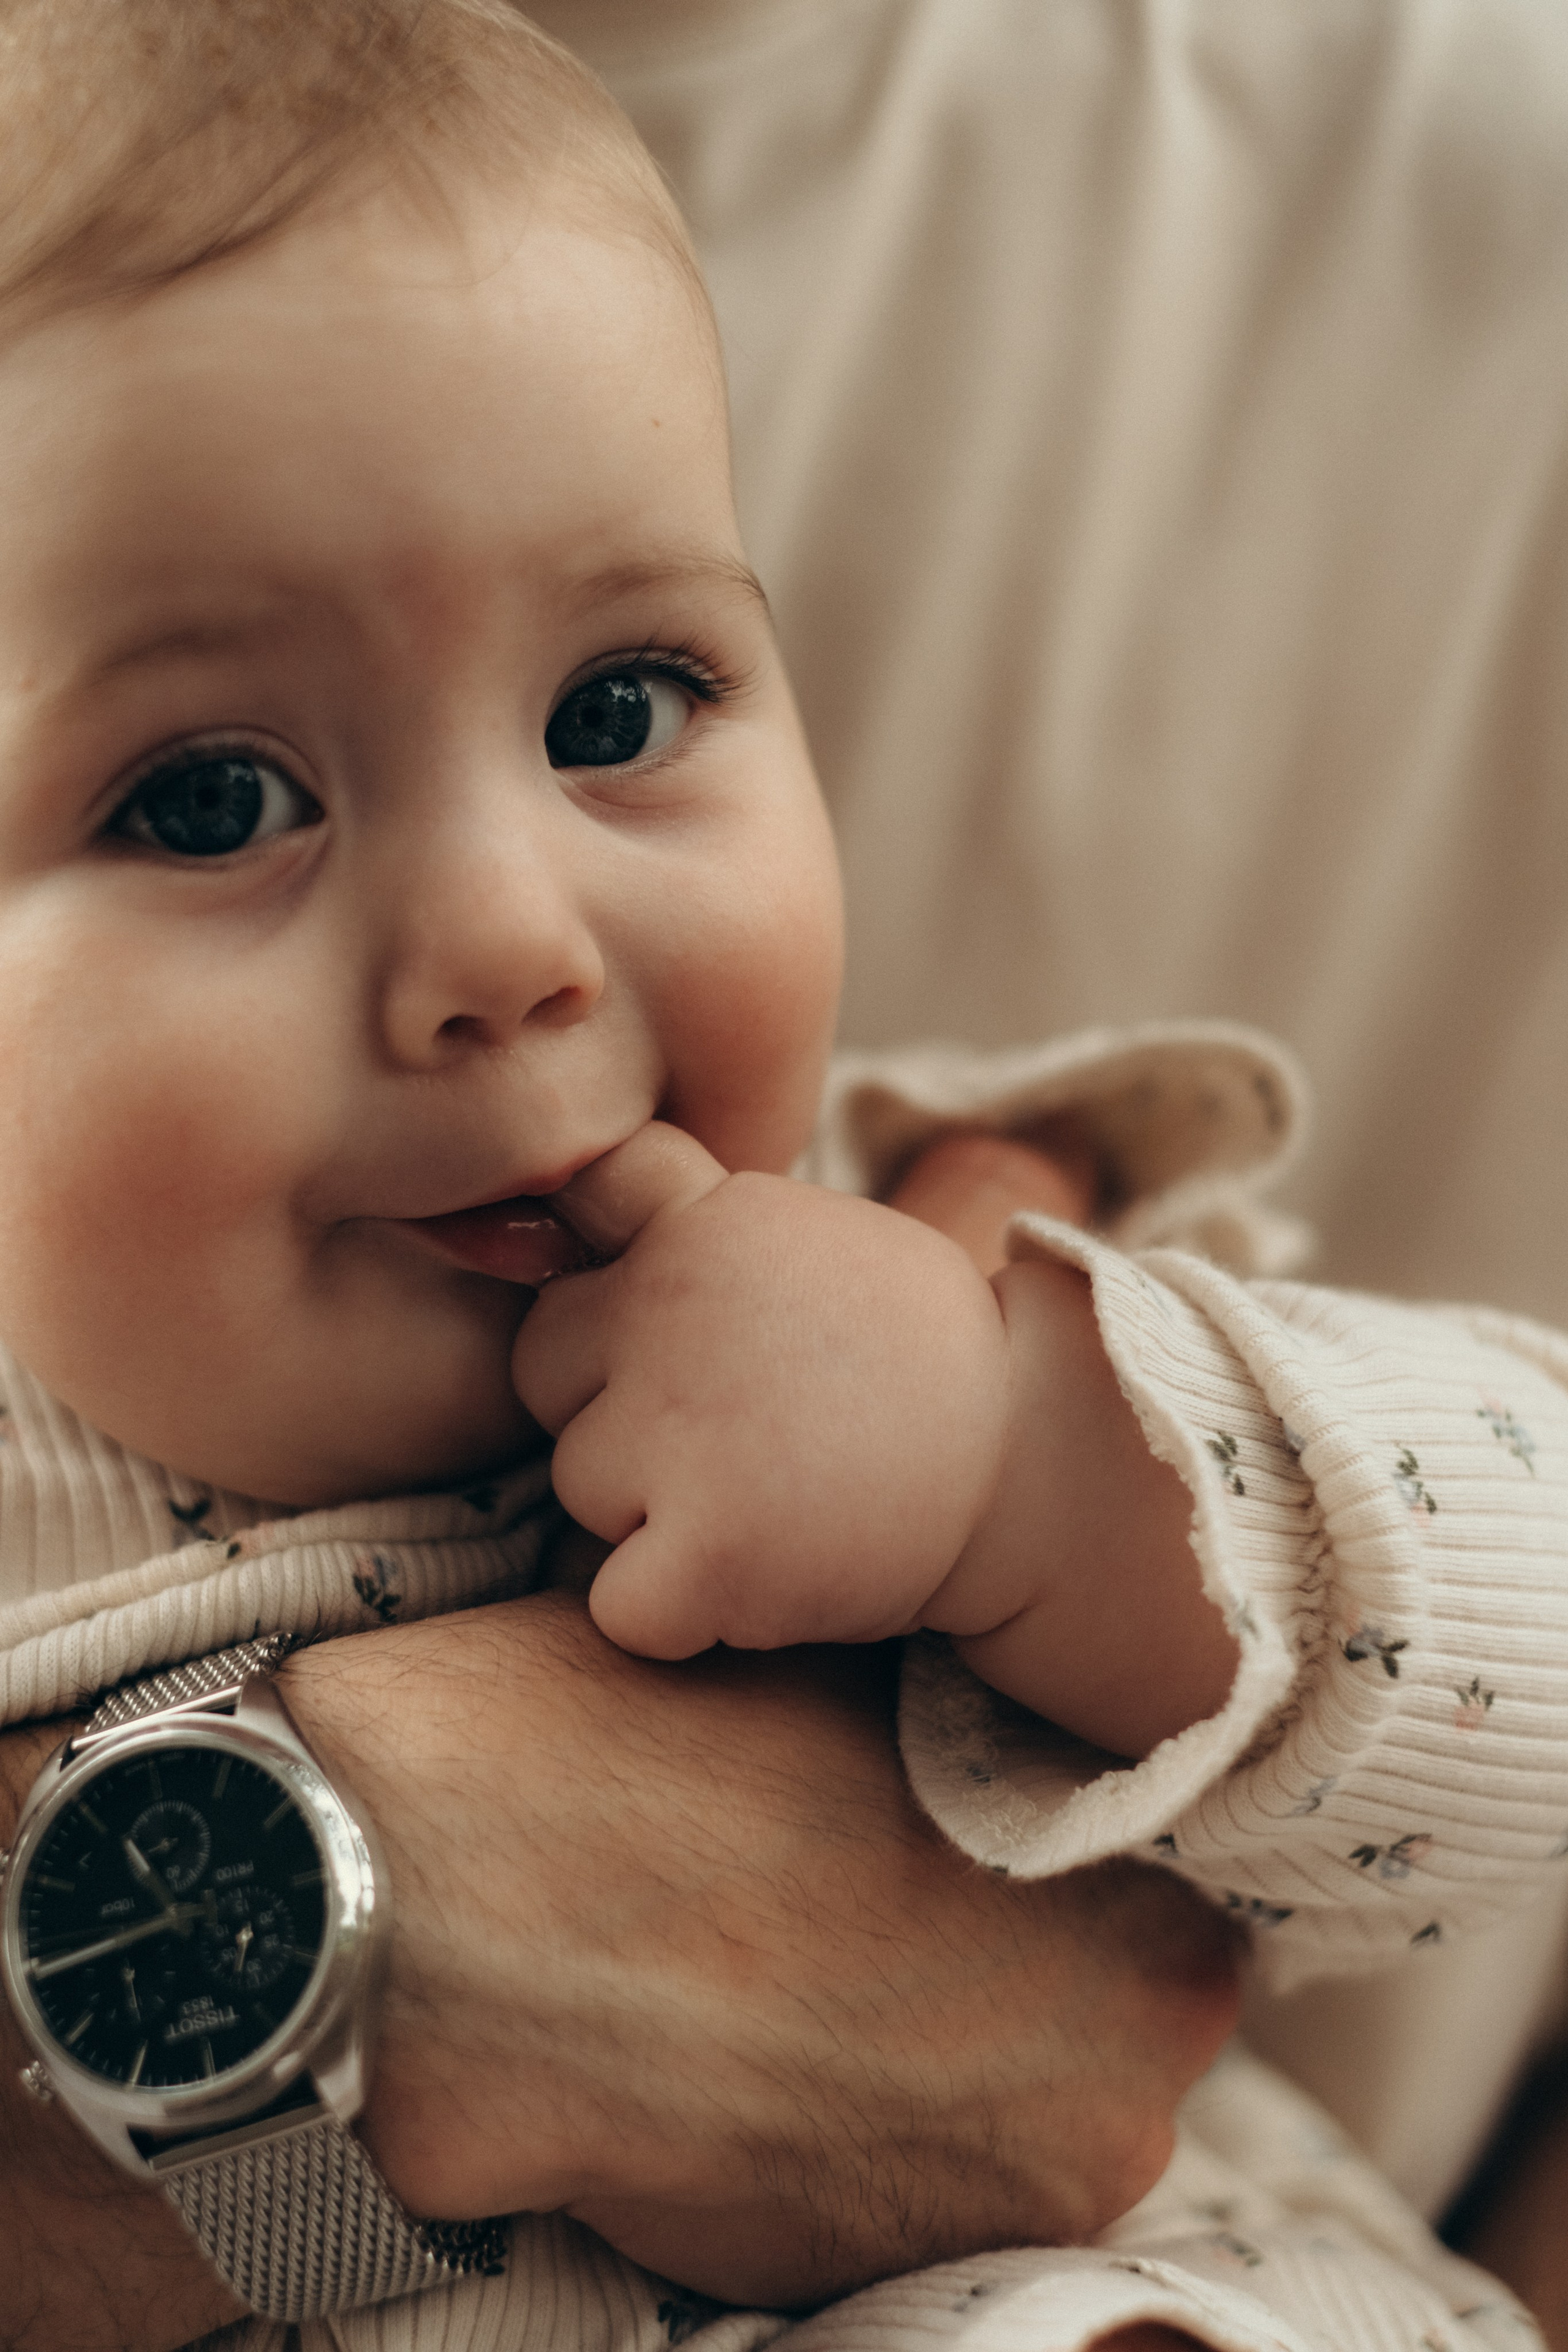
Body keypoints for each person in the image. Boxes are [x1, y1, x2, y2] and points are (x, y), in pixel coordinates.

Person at [0, 6, 1559, 2352]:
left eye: (618, 709)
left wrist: (1038, 1466)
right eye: (213, 800)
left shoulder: (930, 1247)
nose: (513, 949)